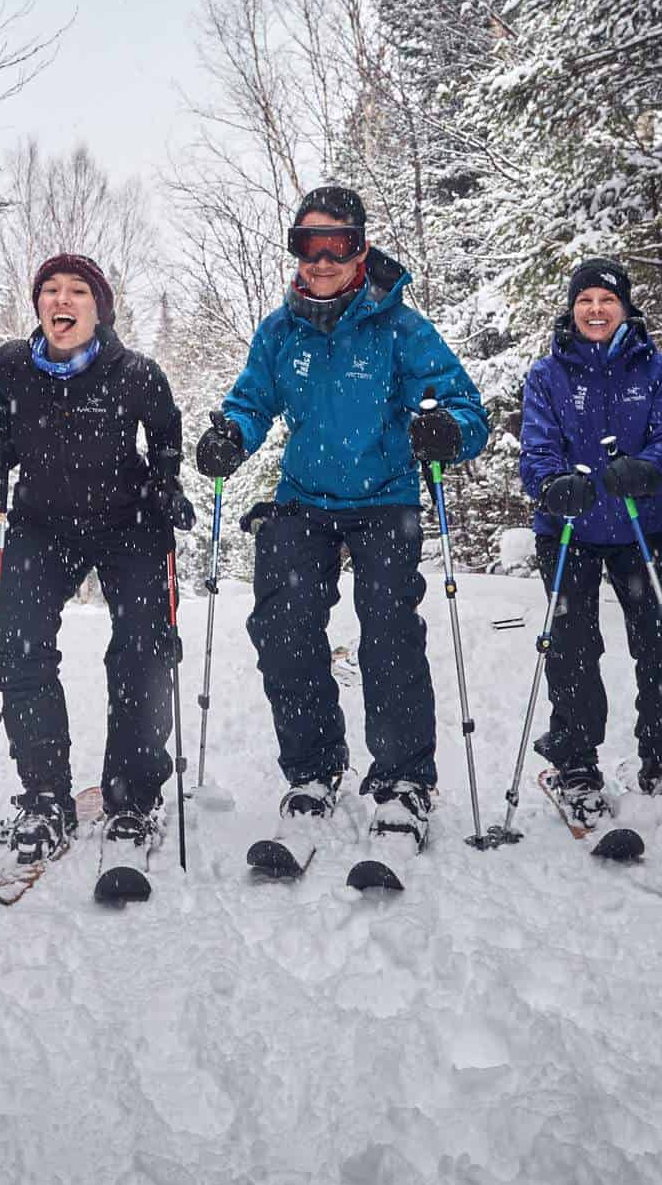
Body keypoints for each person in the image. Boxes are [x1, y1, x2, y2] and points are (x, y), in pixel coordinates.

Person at [189, 186, 489, 848]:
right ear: (295, 250)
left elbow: (467, 408)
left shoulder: (400, 328)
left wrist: (446, 430)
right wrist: (231, 437)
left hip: (384, 497)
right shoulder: (280, 330)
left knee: (388, 633)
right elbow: (251, 402)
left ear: (361, 248)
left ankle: (404, 781)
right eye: (308, 245)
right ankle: (314, 771)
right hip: (305, 495)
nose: (322, 260)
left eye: (339, 245)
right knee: (282, 627)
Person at [0, 254, 190, 860]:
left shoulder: (137, 373)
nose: (61, 300)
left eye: (77, 292)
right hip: (43, 523)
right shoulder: (11, 365)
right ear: (38, 303)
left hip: (128, 522)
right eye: (49, 290)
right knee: (15, 636)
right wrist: (1, 447)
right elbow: (7, 421)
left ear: (100, 308)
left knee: (144, 646)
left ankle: (132, 797)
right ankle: (44, 794)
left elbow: (166, 435)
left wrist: (165, 484)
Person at [518, 259, 662, 822]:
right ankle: (575, 762)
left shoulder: (656, 368)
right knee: (572, 646)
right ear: (572, 310)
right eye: (585, 300)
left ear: (625, 307)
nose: (595, 309)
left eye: (607, 299)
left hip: (639, 526)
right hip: (568, 528)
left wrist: (648, 471)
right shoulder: (549, 373)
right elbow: (535, 447)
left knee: (658, 639)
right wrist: (552, 484)